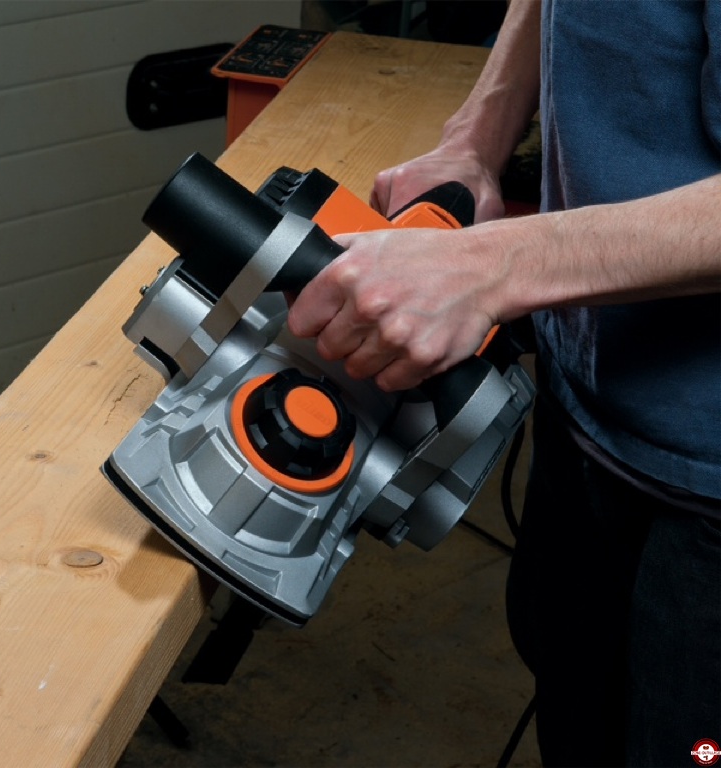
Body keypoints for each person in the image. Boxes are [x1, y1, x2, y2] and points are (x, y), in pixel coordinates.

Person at [287, 1, 721, 766]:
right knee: (574, 719)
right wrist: (475, 137)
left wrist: (494, 266)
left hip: (707, 484)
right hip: (587, 394)